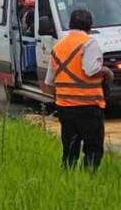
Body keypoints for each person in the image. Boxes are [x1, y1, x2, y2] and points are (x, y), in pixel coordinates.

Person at [45, 9, 113, 171]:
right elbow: (90, 69)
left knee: (70, 149)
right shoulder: (89, 42)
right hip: (88, 106)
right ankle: (88, 180)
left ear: (70, 25)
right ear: (90, 25)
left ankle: (67, 177)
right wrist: (106, 71)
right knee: (92, 149)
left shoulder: (59, 46)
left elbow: (49, 81)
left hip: (65, 107)